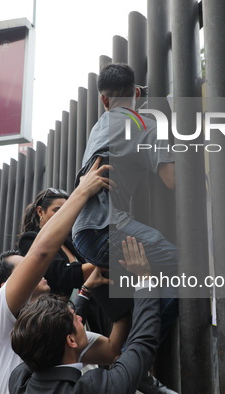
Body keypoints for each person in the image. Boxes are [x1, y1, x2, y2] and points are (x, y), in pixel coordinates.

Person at [71, 63, 178, 393]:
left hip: (84, 231)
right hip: (108, 229)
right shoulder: (143, 123)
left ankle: (129, 356)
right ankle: (134, 365)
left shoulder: (101, 123)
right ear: (135, 92)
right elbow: (172, 180)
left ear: (103, 101)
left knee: (148, 283)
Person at [0, 159, 126, 394]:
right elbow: (40, 253)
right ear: (6, 286)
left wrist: (119, 303)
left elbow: (111, 350)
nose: (36, 271)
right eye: (24, 268)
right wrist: (83, 191)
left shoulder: (51, 326)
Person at [9, 236, 161, 393]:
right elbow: (142, 343)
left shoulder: (20, 381)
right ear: (70, 340)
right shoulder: (92, 388)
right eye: (76, 319)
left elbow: (42, 338)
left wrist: (85, 291)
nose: (80, 318)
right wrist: (144, 279)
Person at [18, 188, 94, 297]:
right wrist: (104, 265)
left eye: (67, 211)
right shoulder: (30, 240)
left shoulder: (72, 239)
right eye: (57, 211)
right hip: (55, 310)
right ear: (40, 211)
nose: (64, 216)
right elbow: (64, 274)